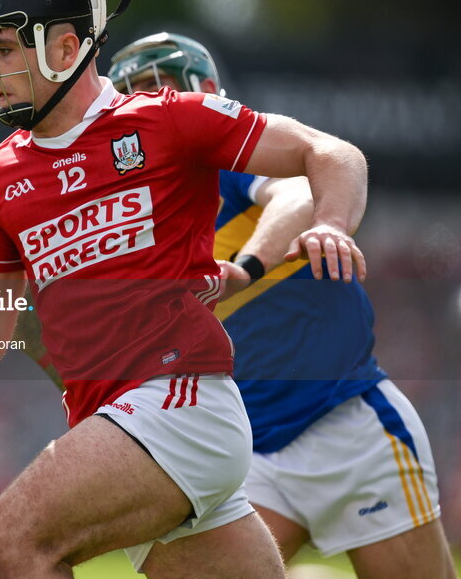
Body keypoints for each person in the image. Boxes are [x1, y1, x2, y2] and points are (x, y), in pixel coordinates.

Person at [0, 0, 369, 577]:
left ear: (67, 48)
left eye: (6, 49)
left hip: (179, 401)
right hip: (123, 425)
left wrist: (332, 225)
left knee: (6, 540)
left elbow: (332, 154)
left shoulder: (169, 120)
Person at [108, 32, 455, 578]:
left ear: (207, 90)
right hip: (244, 452)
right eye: (133, 94)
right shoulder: (127, 210)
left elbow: (299, 194)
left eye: (161, 86)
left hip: (350, 422)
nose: (151, 103)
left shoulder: (227, 157)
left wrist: (246, 268)